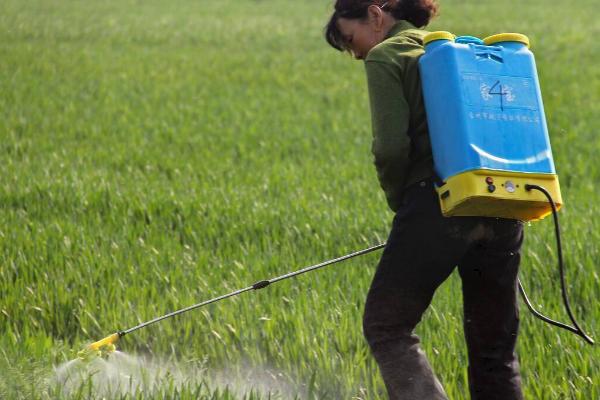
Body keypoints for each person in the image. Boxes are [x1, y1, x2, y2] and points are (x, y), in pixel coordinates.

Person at [324, 1, 525, 399]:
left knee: (386, 325)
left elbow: (391, 150)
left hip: (437, 205)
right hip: (502, 204)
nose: (357, 52)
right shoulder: (454, 52)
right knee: (494, 351)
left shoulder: (387, 56)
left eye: (351, 39)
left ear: (376, 16)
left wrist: (402, 204)